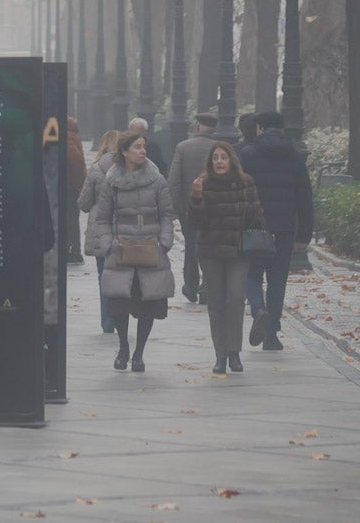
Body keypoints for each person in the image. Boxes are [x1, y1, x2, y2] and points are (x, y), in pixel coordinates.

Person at [95, 130, 176, 372]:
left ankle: (139, 353)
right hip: (120, 251)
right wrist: (108, 243)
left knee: (148, 304)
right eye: (137, 147)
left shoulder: (157, 180)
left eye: (144, 146)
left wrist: (165, 241)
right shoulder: (112, 181)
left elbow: (166, 214)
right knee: (119, 304)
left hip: (151, 251)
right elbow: (102, 218)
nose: (142, 151)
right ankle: (123, 348)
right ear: (124, 151)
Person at [238, 110, 314, 352]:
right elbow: (305, 198)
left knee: (251, 273)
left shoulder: (247, 154)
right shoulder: (295, 156)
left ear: (259, 128)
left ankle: (258, 309)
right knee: (278, 279)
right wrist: (304, 234)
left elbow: (238, 192)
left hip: (254, 226)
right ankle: (271, 334)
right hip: (285, 228)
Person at [189, 141, 265, 374]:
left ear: (231, 160)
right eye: (215, 158)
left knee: (234, 298)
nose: (219, 161)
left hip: (237, 252)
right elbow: (195, 223)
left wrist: (251, 211)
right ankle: (220, 354)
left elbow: (257, 219)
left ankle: (234, 352)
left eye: (223, 157)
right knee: (216, 303)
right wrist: (197, 199)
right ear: (210, 162)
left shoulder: (245, 182)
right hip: (211, 252)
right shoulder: (203, 184)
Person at [166, 112, 219, 303]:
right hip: (214, 207)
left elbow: (174, 180)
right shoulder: (220, 149)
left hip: (188, 207)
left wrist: (173, 207)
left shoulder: (183, 147)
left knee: (191, 245)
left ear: (197, 127)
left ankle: (190, 285)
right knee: (211, 246)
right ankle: (207, 287)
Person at [78, 129, 120, 333]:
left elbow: (84, 203)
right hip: (122, 228)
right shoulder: (127, 169)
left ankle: (107, 321)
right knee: (122, 274)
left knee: (103, 275)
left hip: (99, 229)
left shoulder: (95, 169)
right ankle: (120, 316)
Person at [65, 117, 87, 264]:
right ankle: (74, 251)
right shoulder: (74, 136)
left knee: (69, 218)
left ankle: (72, 251)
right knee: (72, 218)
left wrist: (78, 182)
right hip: (73, 186)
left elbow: (75, 160)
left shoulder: (67, 137)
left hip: (68, 185)